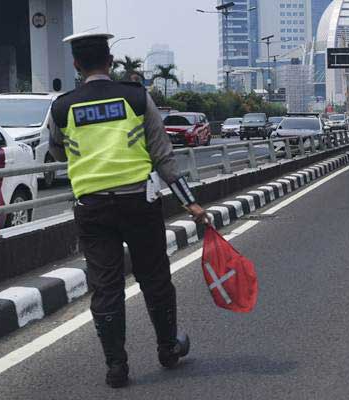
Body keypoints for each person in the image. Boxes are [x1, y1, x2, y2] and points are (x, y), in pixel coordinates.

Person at [48, 32, 208, 388]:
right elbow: (163, 155)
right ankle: (168, 349)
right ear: (110, 61)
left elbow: (57, 151)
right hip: (139, 203)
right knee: (154, 279)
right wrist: (190, 202)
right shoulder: (136, 97)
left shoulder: (62, 106)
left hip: (90, 207)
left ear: (76, 64)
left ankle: (116, 367)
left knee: (106, 287)